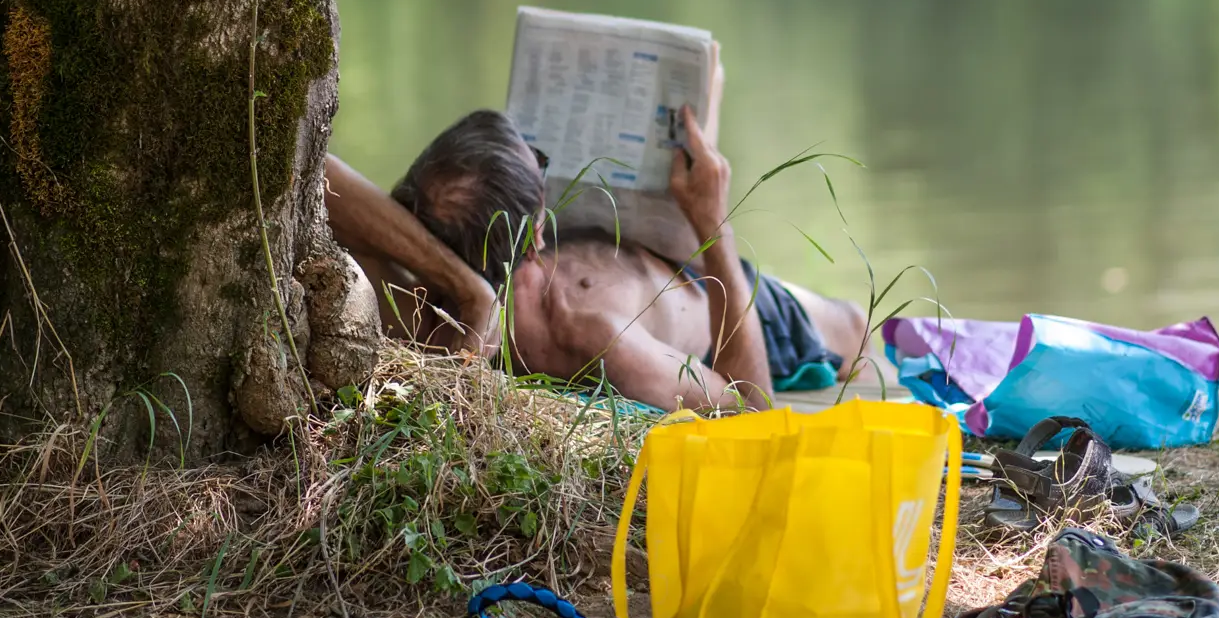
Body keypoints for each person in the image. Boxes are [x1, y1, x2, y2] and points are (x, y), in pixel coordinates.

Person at [325, 79, 873, 412]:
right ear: (536, 230)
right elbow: (750, 406)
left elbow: (317, 171)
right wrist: (715, 225)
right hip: (738, 308)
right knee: (859, 329)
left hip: (656, 253)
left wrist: (463, 284)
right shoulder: (584, 329)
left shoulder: (411, 281)